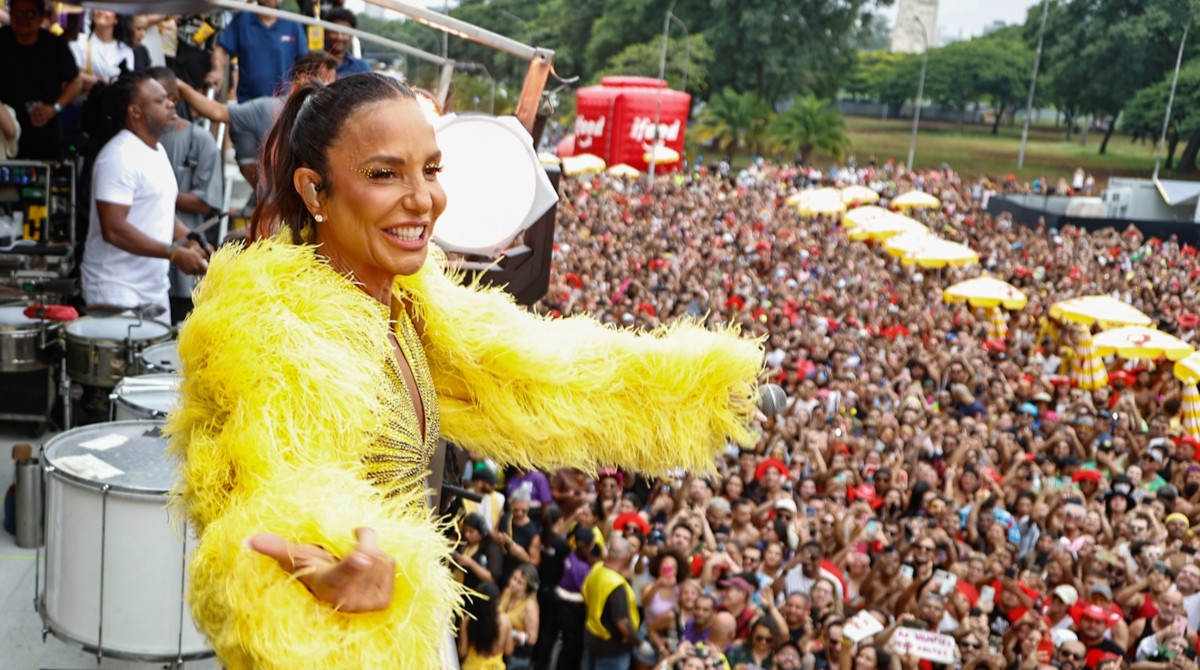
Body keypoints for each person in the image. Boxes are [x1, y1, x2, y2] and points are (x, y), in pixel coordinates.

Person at [166, 72, 762, 668]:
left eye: (430, 169)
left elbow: (541, 376)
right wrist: (324, 580)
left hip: (417, 628)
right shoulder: (274, 331)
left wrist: (695, 392)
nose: (423, 199)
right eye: (384, 174)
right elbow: (259, 504)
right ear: (315, 191)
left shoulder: (411, 302)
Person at [80, 71, 210, 317]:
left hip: (154, 290)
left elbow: (161, 211)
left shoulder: (157, 151)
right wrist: (174, 253)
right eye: (160, 101)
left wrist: (191, 240)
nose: (170, 104)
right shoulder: (118, 156)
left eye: (169, 98)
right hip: (115, 291)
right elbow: (114, 229)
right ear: (135, 112)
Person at [178, 50, 335, 194]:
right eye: (326, 81)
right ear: (303, 78)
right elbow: (217, 112)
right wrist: (181, 86)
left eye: (333, 83)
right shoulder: (267, 109)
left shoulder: (333, 120)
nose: (330, 89)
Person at [147, 66, 222, 323]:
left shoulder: (200, 140)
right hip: (148, 267)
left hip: (185, 271)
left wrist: (156, 193)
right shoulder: (140, 143)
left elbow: (206, 201)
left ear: (173, 99)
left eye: (156, 99)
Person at [0, 0, 81, 159]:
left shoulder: (55, 45)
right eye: (17, 12)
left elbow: (75, 81)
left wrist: (54, 108)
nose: (22, 18)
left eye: (29, 14)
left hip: (45, 133)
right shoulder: (2, 39)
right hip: (6, 132)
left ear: (41, 16)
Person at [206, 0, 307, 101]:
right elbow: (221, 50)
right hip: (248, 103)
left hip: (282, 103)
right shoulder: (242, 20)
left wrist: (298, 92)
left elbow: (304, 64)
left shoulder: (292, 23)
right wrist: (217, 70)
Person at [582, 536, 641, 669]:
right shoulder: (617, 586)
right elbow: (622, 623)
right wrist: (639, 643)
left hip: (592, 637)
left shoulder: (597, 568)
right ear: (627, 556)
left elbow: (584, 591)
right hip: (612, 648)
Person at [70, 9, 135, 93]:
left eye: (108, 9)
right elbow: (74, 75)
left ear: (117, 19)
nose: (101, 11)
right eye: (98, 7)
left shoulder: (125, 50)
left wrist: (91, 79)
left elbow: (126, 83)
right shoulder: (79, 41)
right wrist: (105, 81)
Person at [459, 582, 513, 670]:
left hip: (472, 666)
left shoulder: (467, 620)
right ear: (497, 601)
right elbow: (508, 650)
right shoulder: (505, 620)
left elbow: (462, 651)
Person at [500, 564, 540, 668]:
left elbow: (532, 638)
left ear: (527, 587)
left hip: (516, 656)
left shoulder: (530, 607)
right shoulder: (507, 592)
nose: (513, 583)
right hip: (500, 647)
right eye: (513, 578)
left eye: (519, 582)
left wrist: (511, 632)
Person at [323, 7, 370, 79]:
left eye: (345, 32)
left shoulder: (362, 68)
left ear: (352, 35)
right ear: (326, 33)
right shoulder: (313, 64)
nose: (340, 37)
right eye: (334, 31)